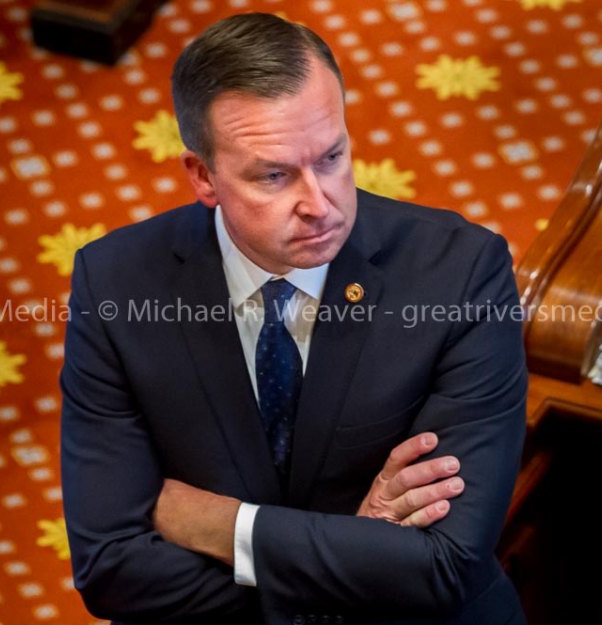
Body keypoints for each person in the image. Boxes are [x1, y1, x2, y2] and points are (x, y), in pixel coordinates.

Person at [61, 12, 527, 625]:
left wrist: (226, 527)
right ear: (203, 176)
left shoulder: (462, 275)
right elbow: (112, 571)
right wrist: (357, 556)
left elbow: (446, 564)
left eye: (332, 156)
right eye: (274, 176)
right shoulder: (115, 283)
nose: (320, 204)